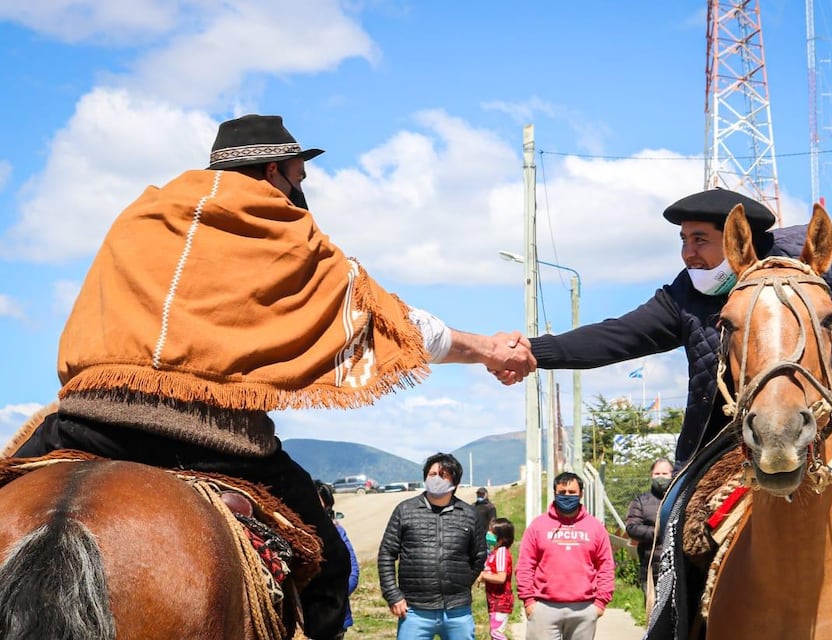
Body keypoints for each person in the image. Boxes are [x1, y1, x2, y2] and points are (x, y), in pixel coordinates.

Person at [11, 113, 535, 639]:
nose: (298, 193)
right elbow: (386, 320)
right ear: (272, 170)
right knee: (328, 565)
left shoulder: (141, 214)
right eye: (297, 179)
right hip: (208, 439)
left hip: (85, 423)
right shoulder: (276, 225)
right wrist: (488, 349)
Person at [500, 187, 832, 565]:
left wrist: (822, 315)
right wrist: (532, 353)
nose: (688, 253)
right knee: (672, 517)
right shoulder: (684, 296)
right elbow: (616, 337)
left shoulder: (810, 253)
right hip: (735, 433)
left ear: (736, 238)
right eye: (683, 240)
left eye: (699, 239)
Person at [378, 452, 486, 639]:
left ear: (455, 482)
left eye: (443, 475)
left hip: (458, 611)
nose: (436, 479)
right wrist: (392, 594)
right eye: (432, 474)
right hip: (414, 610)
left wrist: (460, 582)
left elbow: (479, 556)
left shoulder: (469, 514)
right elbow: (386, 554)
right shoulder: (405, 510)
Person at [516, 471, 615, 640]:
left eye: (572, 492)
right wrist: (529, 601)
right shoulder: (538, 526)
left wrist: (600, 603)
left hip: (584, 609)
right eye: (562, 492)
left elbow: (605, 566)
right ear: (555, 493)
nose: (567, 496)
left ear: (581, 494)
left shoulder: (595, 527)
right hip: (544, 607)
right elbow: (525, 565)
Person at [625, 458, 674, 599]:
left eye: (665, 474)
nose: (661, 477)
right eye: (657, 473)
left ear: (672, 475)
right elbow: (632, 527)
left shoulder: (679, 499)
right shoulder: (641, 501)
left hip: (676, 568)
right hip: (651, 570)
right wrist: (657, 532)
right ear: (651, 475)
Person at [316, 481, 359, 639]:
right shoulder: (292, 534)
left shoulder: (337, 532)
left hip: (334, 616)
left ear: (327, 505)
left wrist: (334, 596)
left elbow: (353, 571)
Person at [480, 517, 515, 640]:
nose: (488, 534)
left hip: (500, 601)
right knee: (494, 633)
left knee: (497, 634)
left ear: (502, 538)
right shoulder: (495, 552)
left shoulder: (501, 552)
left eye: (492, 532)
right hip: (494, 601)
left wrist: (483, 576)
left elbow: (501, 577)